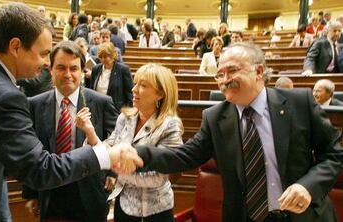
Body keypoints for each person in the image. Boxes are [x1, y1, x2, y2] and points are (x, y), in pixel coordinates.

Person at [0, 4, 142, 221]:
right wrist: (105, 154)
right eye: (43, 54)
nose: (45, 63)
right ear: (15, 47)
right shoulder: (4, 97)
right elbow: (41, 169)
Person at [120, 42, 343, 222]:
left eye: (232, 71)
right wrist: (138, 153)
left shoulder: (299, 103)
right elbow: (183, 156)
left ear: (259, 71)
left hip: (302, 216)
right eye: (220, 74)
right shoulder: (215, 117)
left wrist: (307, 186)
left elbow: (333, 155)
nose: (225, 80)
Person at [22, 41, 119, 222]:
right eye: (61, 67)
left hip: (90, 193)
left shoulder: (102, 103)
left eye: (74, 68)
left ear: (82, 71)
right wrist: (31, 193)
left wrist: (112, 174)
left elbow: (115, 140)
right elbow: (30, 153)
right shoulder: (34, 104)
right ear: (50, 69)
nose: (68, 74)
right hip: (50, 194)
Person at [78, 63, 183, 222]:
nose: (134, 89)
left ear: (160, 93)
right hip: (124, 205)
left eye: (143, 85)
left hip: (154, 212)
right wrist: (90, 132)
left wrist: (114, 167)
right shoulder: (126, 118)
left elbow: (159, 177)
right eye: (135, 83)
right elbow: (108, 148)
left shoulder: (170, 126)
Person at [89, 42, 133, 110]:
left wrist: (128, 111)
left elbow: (129, 94)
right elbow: (91, 90)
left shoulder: (123, 70)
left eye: (106, 57)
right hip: (98, 108)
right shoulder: (96, 69)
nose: (103, 60)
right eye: (101, 57)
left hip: (116, 110)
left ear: (113, 56)